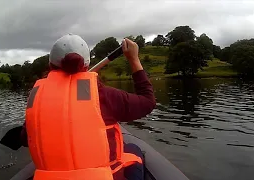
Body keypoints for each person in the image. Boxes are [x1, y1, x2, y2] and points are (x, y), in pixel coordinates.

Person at [19, 34, 156, 180]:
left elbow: (24, 140)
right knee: (133, 149)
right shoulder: (103, 95)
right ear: (86, 65)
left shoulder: (36, 98)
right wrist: (133, 59)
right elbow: (148, 101)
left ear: (51, 65)